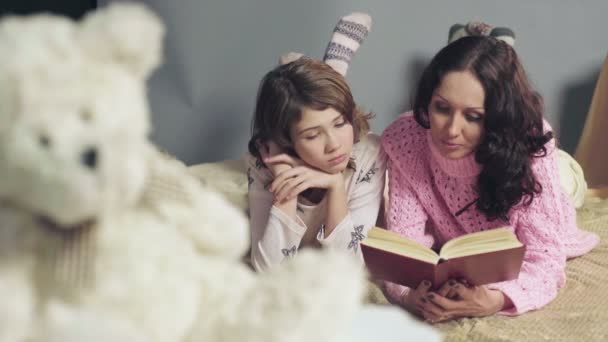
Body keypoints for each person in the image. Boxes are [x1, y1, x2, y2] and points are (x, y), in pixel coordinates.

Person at [380, 36, 599, 322]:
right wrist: (410, 294)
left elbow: (545, 259)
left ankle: (496, 49)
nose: (451, 130)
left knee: (569, 182)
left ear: (496, 117)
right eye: (442, 108)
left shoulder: (531, 142)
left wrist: (495, 300)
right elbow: (403, 244)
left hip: (539, 164)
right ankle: (483, 45)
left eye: (473, 116)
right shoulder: (406, 140)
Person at [246, 57, 386, 271]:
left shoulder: (369, 152)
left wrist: (336, 185)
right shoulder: (265, 161)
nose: (334, 145)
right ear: (286, 141)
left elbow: (352, 267)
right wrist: (286, 186)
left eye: (340, 123)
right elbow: (269, 271)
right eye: (312, 136)